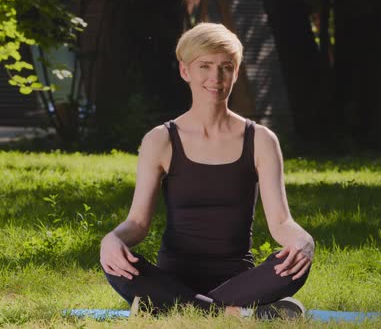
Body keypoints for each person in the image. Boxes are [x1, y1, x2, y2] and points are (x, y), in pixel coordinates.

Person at [99, 22, 315, 319]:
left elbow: (281, 223)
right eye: (205, 66)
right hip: (173, 277)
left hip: (239, 281)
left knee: (294, 264)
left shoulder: (261, 140)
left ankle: (168, 307)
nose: (216, 77)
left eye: (226, 67)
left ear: (236, 72)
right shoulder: (160, 139)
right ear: (185, 71)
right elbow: (137, 223)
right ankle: (239, 315)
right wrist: (111, 240)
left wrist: (304, 241)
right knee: (117, 263)